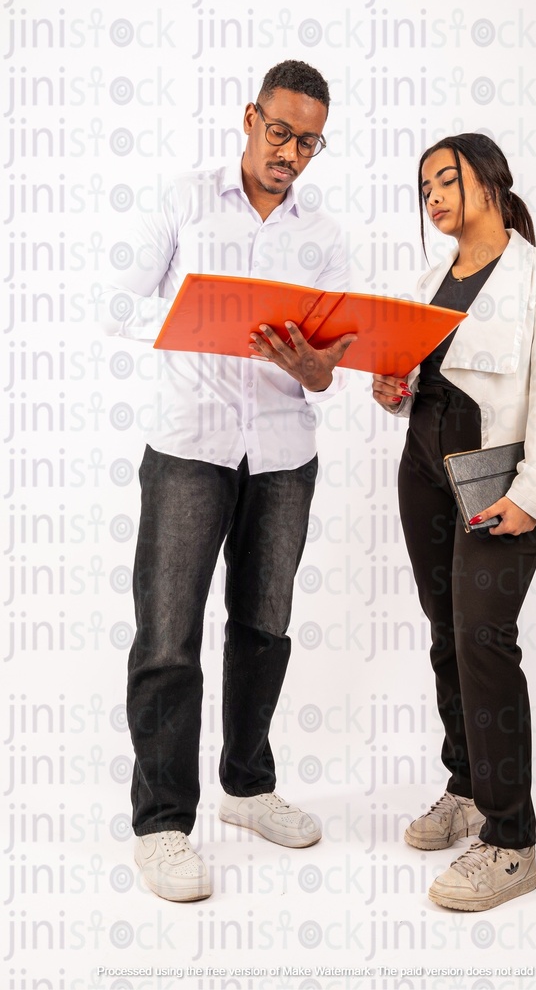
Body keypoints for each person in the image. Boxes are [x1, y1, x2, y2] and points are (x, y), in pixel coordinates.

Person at [102, 60, 355, 902]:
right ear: (250, 118)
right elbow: (121, 302)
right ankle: (165, 824)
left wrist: (316, 368)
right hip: (189, 447)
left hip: (283, 452)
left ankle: (247, 787)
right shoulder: (183, 198)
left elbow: (332, 369)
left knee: (264, 628)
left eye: (308, 142)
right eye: (279, 132)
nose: (290, 153)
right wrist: (194, 322)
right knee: (168, 639)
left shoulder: (324, 233)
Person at [372, 133, 536, 911]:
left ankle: (511, 840)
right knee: (444, 631)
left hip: (496, 478)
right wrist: (390, 389)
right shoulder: (430, 278)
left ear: (489, 179)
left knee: (484, 637)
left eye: (446, 179)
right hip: (424, 471)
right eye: (424, 187)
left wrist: (534, 489)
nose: (433, 195)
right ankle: (466, 785)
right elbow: (415, 380)